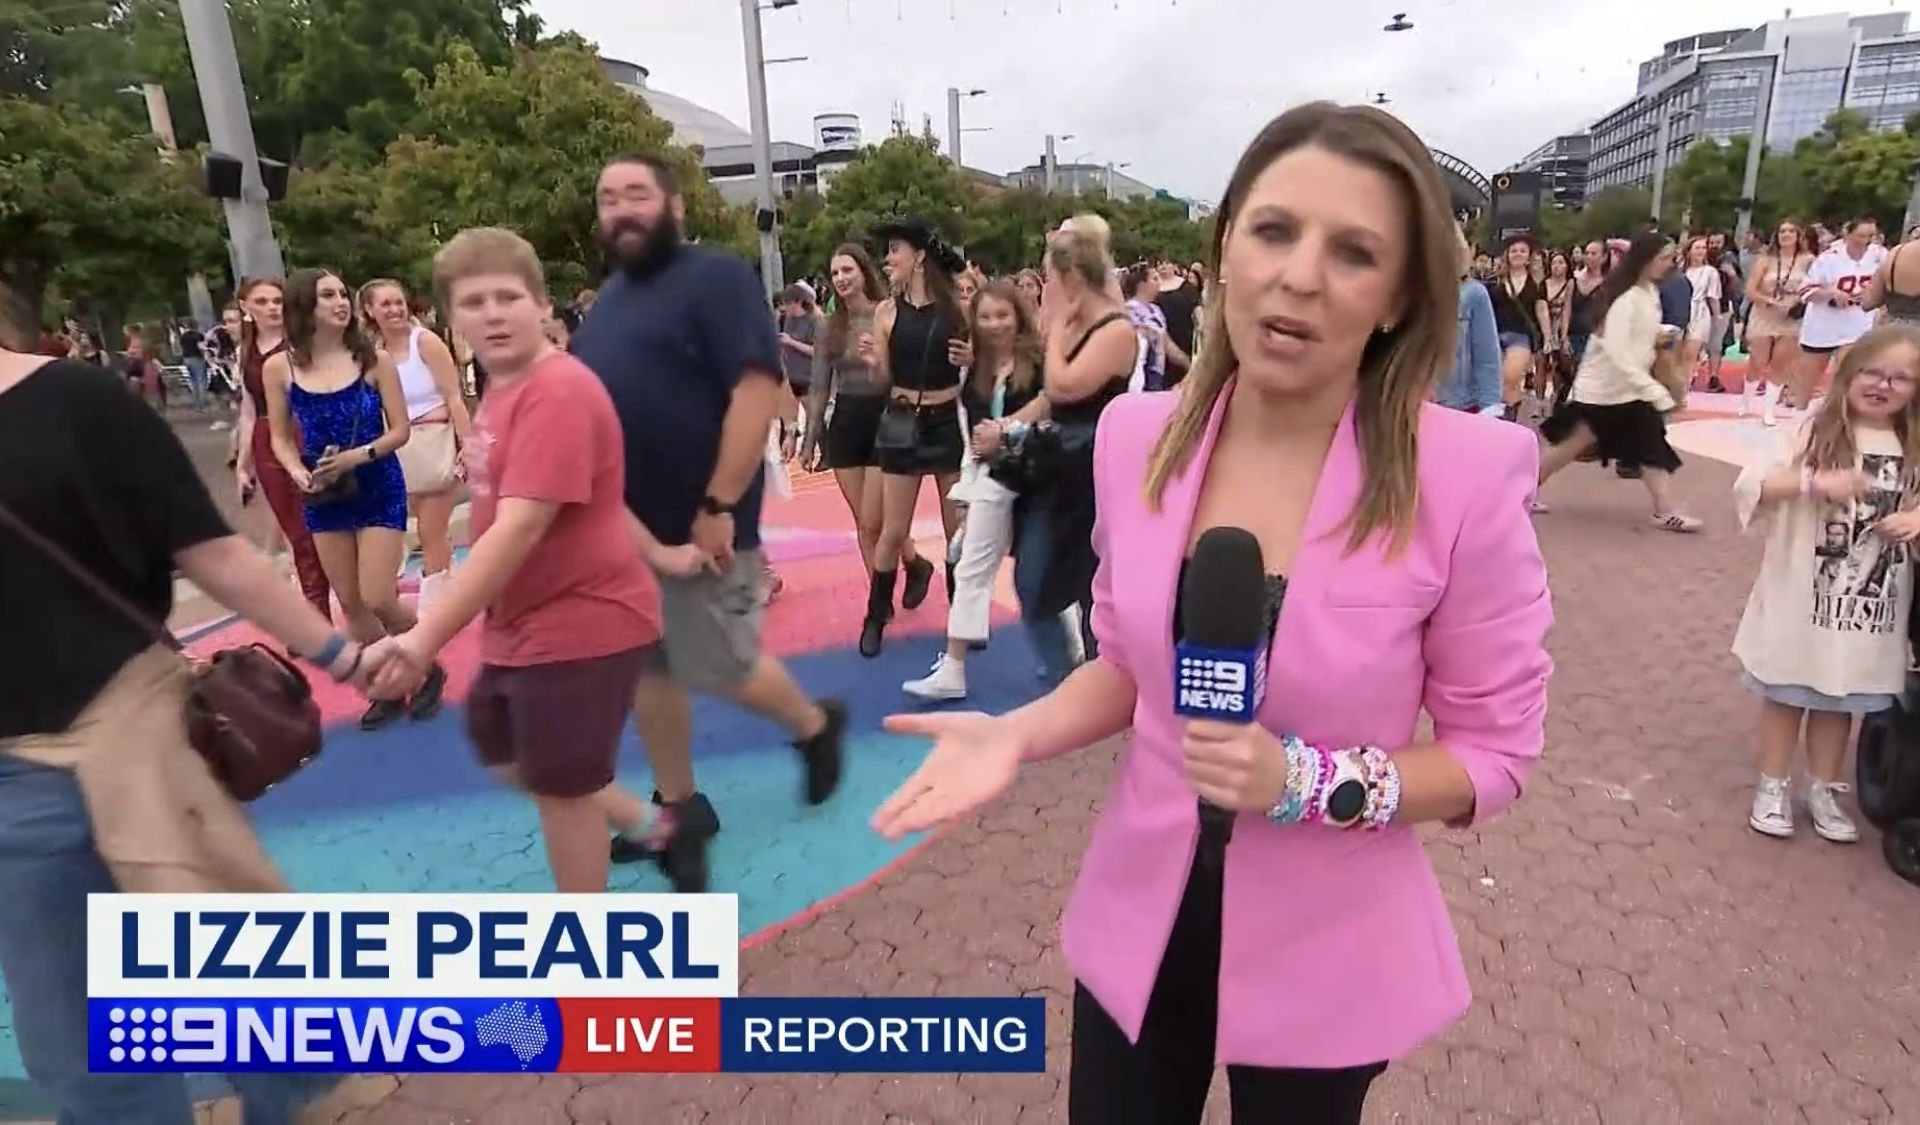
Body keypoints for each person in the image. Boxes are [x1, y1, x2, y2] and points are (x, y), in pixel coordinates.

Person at [873, 102, 1553, 1125]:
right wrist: (1015, 734)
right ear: (1226, 248)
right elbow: (1125, 665)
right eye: (1274, 230)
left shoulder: (1467, 476)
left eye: (1354, 252)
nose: (1300, 276)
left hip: (1329, 946)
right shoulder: (1137, 438)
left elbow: (1492, 755)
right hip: (1143, 920)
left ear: (1400, 298)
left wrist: (1305, 782)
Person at [0, 279, 375, 1124]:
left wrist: (341, 655)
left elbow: (212, 551)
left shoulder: (78, 402)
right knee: (72, 1031)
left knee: (228, 957)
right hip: (10, 776)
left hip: (129, 723)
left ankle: (289, 1085)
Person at [368, 228, 710, 891]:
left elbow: (521, 525)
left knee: (563, 793)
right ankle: (659, 827)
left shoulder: (557, 391)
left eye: (509, 297)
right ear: (452, 320)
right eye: (475, 302)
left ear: (542, 305)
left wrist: (423, 638)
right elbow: (593, 497)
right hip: (519, 621)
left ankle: (581, 947)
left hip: (578, 622)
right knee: (501, 748)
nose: (493, 314)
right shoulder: (505, 387)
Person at [570, 153, 846, 890]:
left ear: (675, 206)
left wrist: (719, 503)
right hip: (627, 528)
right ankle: (679, 805)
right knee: (648, 663)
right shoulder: (610, 301)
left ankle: (815, 726)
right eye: (607, 198)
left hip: (705, 519)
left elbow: (756, 389)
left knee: (717, 660)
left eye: (636, 194)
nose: (621, 209)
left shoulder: (716, 277)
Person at [1734, 324, 1920, 843]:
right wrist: (1813, 483)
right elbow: (1754, 484)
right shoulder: (1813, 429)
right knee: (1789, 691)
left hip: (1870, 602)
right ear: (1848, 374)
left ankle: (1823, 786)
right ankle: (1772, 785)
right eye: (1872, 373)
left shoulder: (1912, 441)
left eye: (1900, 378)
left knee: (1841, 698)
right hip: (1804, 593)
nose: (1883, 386)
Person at [262, 268, 448, 729]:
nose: (340, 302)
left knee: (378, 594)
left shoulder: (373, 360)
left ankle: (426, 664)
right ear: (305, 305)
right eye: (328, 295)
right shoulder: (279, 367)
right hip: (324, 491)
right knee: (350, 602)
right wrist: (296, 470)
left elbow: (400, 430)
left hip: (377, 482)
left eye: (342, 294)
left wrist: (356, 457)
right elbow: (279, 437)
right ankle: (387, 682)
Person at [902, 280, 1050, 701]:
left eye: (1002, 315)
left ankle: (1067, 653)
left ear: (1018, 315)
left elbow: (1054, 407)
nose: (995, 324)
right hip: (994, 478)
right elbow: (971, 436)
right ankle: (954, 667)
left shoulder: (1040, 361)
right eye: (985, 316)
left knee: (1041, 572)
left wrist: (1008, 429)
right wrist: (966, 494)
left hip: (1042, 473)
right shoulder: (976, 371)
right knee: (970, 567)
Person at [1536, 233, 1704, 532]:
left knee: (1650, 444)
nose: (1670, 264)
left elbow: (1637, 334)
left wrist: (1660, 334)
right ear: (1646, 260)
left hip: (1627, 390)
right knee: (1571, 446)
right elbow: (1616, 350)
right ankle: (1520, 490)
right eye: (1664, 258)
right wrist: (1653, 388)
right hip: (1603, 390)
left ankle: (1664, 509)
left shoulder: (1647, 292)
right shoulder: (1626, 299)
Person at [1436, 224, 1502, 414]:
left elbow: (1487, 357)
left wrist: (1490, 408)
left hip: (1457, 405)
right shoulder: (1403, 293)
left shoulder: (1473, 293)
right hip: (1408, 406)